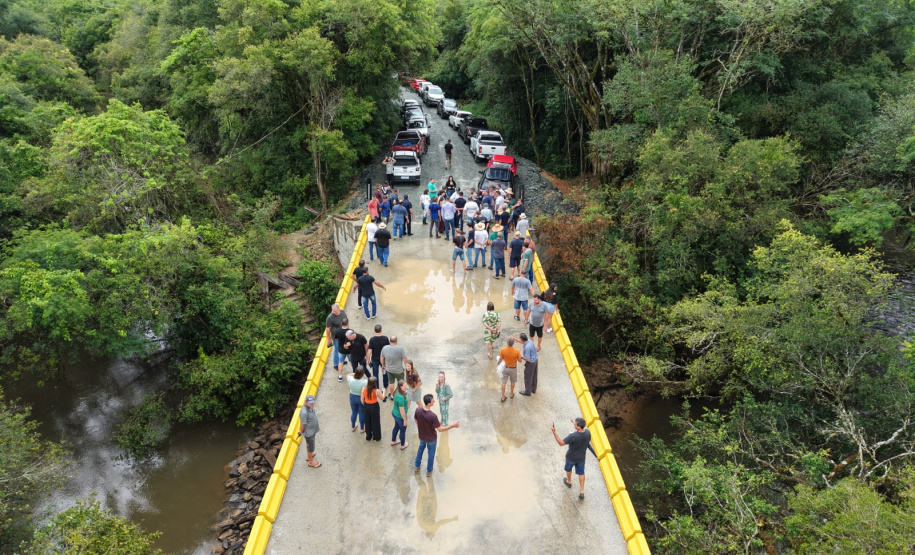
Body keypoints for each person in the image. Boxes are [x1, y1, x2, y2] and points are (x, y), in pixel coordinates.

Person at [414, 394, 460, 477]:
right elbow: (440, 429)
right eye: (432, 401)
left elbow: (416, 420)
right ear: (429, 403)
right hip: (431, 439)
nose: (434, 401)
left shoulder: (418, 410)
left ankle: (416, 466)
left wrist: (422, 427)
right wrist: (453, 425)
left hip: (422, 436)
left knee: (420, 450)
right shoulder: (433, 416)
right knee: (431, 454)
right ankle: (429, 471)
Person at [552, 417, 591, 499]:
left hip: (571, 457)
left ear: (578, 427)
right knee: (581, 473)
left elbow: (561, 443)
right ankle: (582, 492)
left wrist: (554, 432)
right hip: (581, 458)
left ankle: (569, 481)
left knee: (568, 469)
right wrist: (575, 427)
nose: (574, 424)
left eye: (575, 424)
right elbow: (582, 435)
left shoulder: (572, 436)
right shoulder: (588, 433)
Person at [324, 304, 348, 382]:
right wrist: (329, 339)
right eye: (332, 310)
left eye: (335, 310)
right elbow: (328, 329)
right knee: (337, 350)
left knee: (343, 349)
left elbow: (346, 322)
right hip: (336, 337)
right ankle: (335, 364)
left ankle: (341, 360)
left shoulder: (343, 313)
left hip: (344, 335)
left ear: (338, 309)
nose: (333, 312)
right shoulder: (330, 317)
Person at [297, 395, 321, 468]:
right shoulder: (304, 413)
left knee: (309, 445)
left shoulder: (310, 407)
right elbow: (303, 424)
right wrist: (301, 431)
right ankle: (311, 462)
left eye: (312, 402)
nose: (311, 404)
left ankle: (309, 455)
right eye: (310, 403)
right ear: (305, 402)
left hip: (312, 431)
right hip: (309, 433)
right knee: (310, 446)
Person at [367, 325, 390, 396]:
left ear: (374, 330)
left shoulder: (372, 339)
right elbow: (388, 348)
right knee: (385, 372)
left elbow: (369, 351)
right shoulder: (385, 339)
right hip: (384, 359)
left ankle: (376, 386)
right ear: (381, 330)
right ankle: (385, 385)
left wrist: (368, 359)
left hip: (375, 359)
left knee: (375, 373)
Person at [498, 337, 522, 402]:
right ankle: (511, 393)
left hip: (505, 368)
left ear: (507, 343)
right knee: (513, 381)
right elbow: (520, 361)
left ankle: (503, 396)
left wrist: (498, 363)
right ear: (513, 343)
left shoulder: (503, 349)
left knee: (503, 382)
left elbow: (500, 359)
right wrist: (519, 357)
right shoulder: (516, 351)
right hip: (513, 368)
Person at [346, 367, 368, 433]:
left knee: (354, 412)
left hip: (352, 397)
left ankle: (353, 426)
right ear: (362, 374)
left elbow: (347, 375)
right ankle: (362, 428)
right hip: (361, 398)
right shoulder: (365, 382)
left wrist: (355, 373)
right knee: (361, 413)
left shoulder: (350, 379)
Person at [391, 380, 409, 450]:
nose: (406, 387)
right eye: (405, 386)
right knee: (403, 430)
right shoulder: (400, 397)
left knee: (396, 427)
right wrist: (404, 420)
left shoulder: (396, 391)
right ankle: (402, 445)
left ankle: (393, 440)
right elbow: (402, 410)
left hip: (394, 413)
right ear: (400, 387)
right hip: (400, 416)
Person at [362, 377, 382, 441]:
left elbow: (362, 400)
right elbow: (383, 398)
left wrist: (365, 405)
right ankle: (376, 437)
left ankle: (368, 436)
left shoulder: (364, 389)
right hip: (374, 406)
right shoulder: (376, 391)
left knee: (367, 421)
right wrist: (384, 391)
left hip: (366, 406)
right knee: (375, 422)